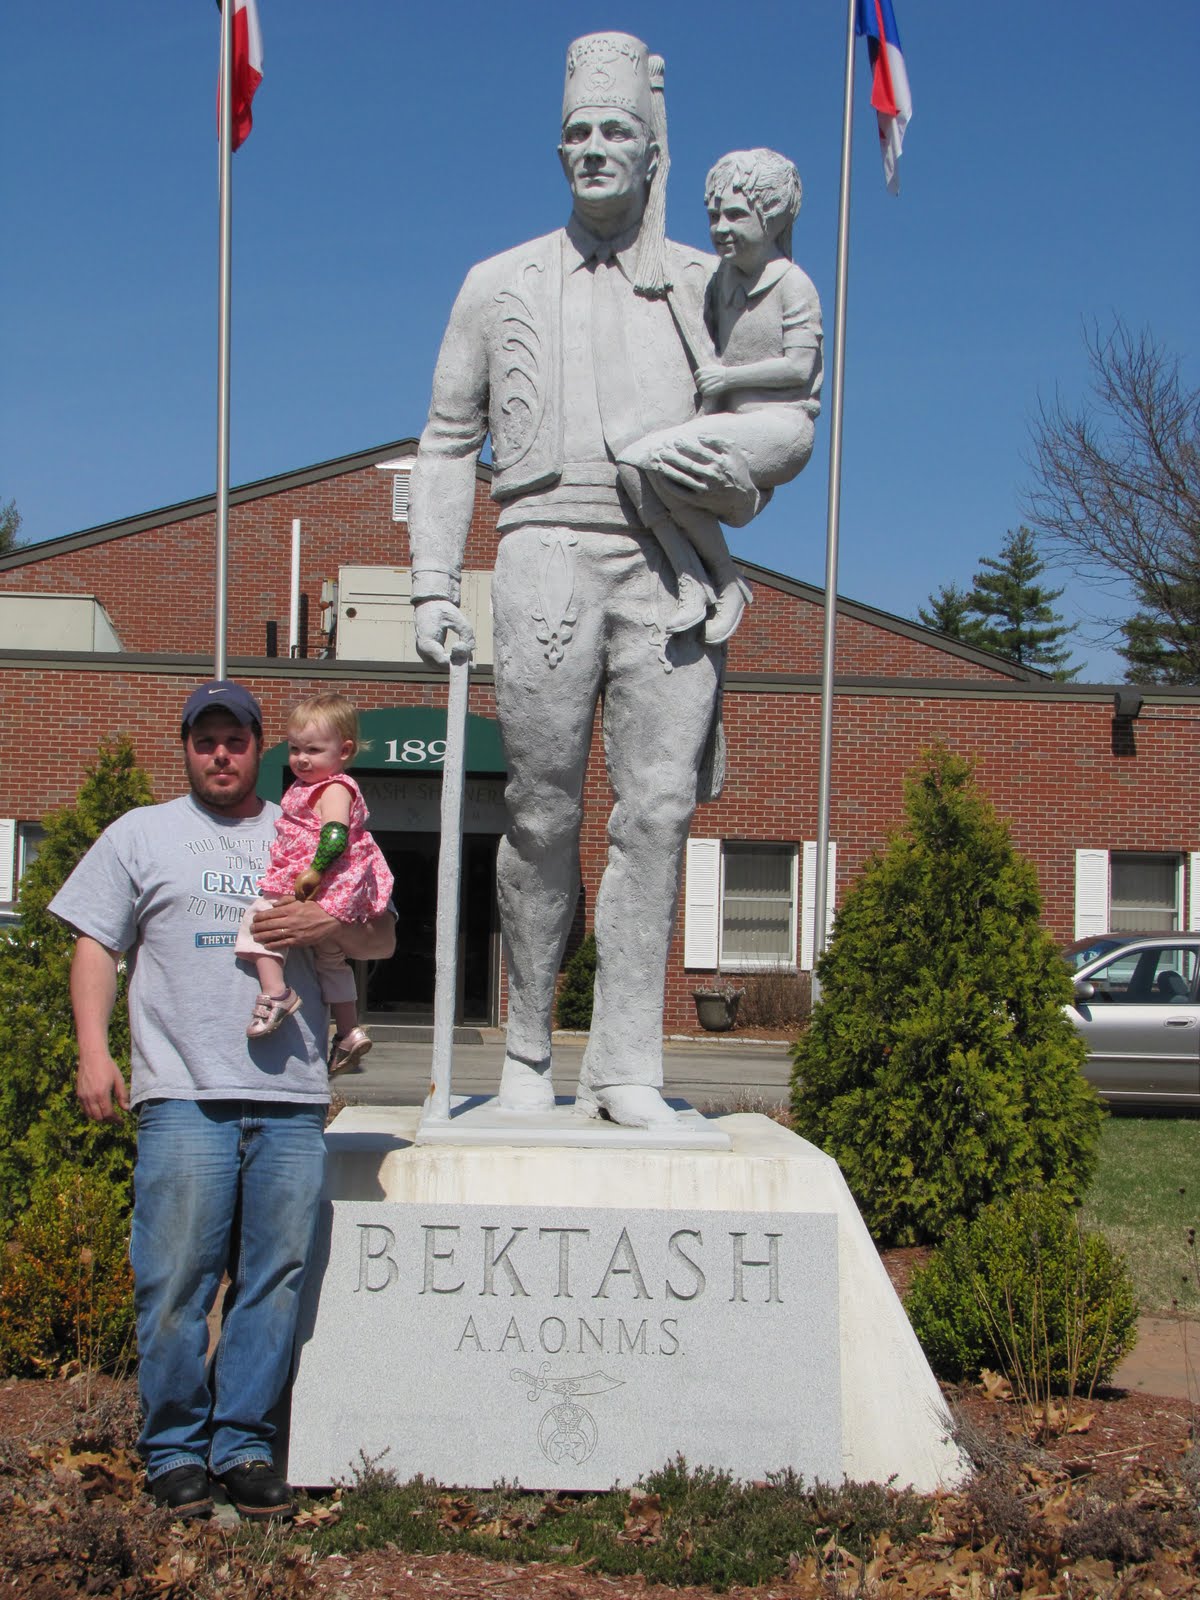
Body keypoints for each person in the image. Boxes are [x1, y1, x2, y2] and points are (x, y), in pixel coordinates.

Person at [408, 32, 789, 1128]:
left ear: (652, 146)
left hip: (669, 561)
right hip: (542, 549)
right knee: (541, 808)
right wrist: (436, 585)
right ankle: (527, 1048)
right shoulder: (497, 281)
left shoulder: (707, 286)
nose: (593, 148)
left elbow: (781, 411)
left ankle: (623, 1062)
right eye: (576, 131)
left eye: (615, 130)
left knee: (658, 811)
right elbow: (445, 439)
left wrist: (737, 467)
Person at [49, 680, 395, 1521]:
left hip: (290, 1097)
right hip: (183, 1096)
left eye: (235, 740)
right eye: (205, 740)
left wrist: (331, 932)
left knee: (271, 1281)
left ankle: (242, 1444)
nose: (221, 755)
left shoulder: (308, 819)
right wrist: (95, 1054)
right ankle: (172, 1449)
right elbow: (96, 944)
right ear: (188, 748)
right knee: (173, 1281)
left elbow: (381, 931)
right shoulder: (142, 834)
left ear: (257, 748)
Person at [619, 147, 823, 646]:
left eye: (735, 215)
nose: (721, 227)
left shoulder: (794, 285)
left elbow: (800, 366)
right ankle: (696, 576)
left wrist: (727, 379)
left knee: (654, 459)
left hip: (781, 426)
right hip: (728, 418)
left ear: (771, 218)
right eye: (714, 215)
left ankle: (727, 579)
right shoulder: (722, 280)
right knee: (632, 466)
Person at [234, 693, 393, 1075]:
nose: (302, 758)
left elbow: (335, 836)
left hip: (320, 883)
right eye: (294, 749)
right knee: (331, 961)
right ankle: (349, 1029)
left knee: (260, 923)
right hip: (327, 887)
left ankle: (276, 994)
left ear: (344, 750)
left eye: (314, 750)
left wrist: (315, 872)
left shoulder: (335, 788)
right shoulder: (309, 787)